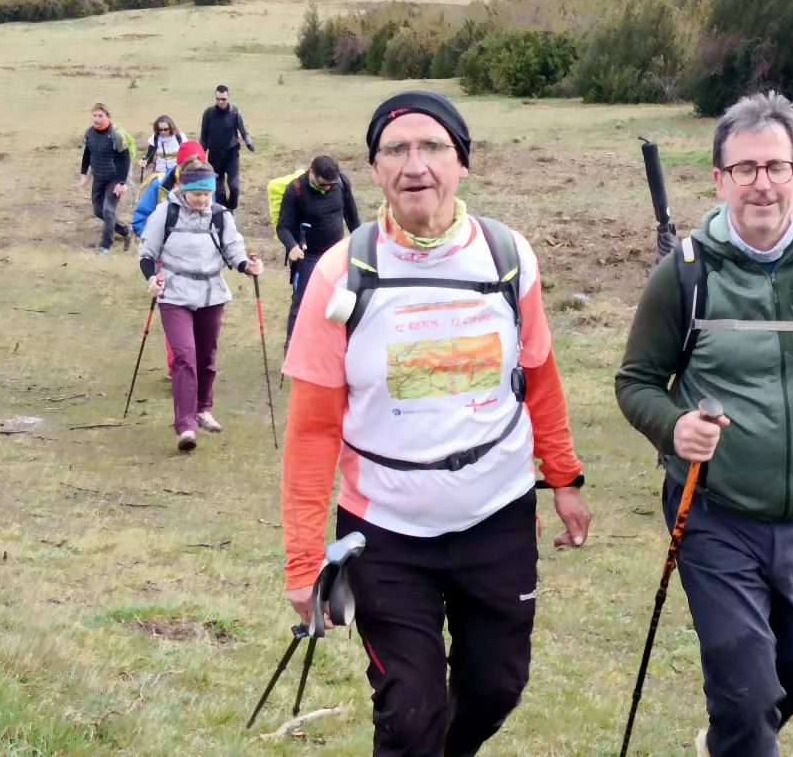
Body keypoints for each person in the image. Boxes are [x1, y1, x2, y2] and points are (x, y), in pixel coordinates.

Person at [277, 91, 591, 757]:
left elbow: (540, 375)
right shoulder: (341, 275)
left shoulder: (508, 257)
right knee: (410, 710)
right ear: (374, 169)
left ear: (462, 164)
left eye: (432, 148)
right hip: (384, 533)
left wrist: (563, 476)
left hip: (497, 517)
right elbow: (310, 432)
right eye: (396, 150)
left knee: (496, 688)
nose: (415, 165)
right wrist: (305, 561)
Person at [613, 92, 793, 757]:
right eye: (744, 169)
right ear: (719, 179)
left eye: (776, 167)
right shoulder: (684, 273)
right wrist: (675, 427)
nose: (761, 184)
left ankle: (727, 741)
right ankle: (738, 735)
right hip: (715, 515)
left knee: (789, 682)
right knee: (746, 694)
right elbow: (635, 382)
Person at [139, 157, 264, 453]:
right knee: (185, 356)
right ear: (183, 189)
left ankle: (203, 408)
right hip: (174, 293)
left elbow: (233, 249)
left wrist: (248, 265)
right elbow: (147, 252)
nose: (202, 200)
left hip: (211, 292)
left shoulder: (220, 215)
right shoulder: (164, 213)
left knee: (207, 356)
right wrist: (151, 279)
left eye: (207, 194)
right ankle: (185, 426)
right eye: (197, 194)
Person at [132, 139, 208, 371]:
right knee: (176, 316)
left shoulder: (207, 188)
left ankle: (194, 364)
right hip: (166, 263)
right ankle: (179, 366)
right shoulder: (159, 186)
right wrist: (158, 240)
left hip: (199, 265)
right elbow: (139, 220)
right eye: (191, 166)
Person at [274, 154, 361, 346]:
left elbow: (352, 219)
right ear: (311, 172)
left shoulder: (341, 183)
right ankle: (292, 349)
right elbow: (283, 227)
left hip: (337, 255)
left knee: (340, 302)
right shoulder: (295, 190)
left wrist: (362, 244)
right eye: (323, 184)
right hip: (308, 257)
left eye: (331, 184)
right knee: (302, 304)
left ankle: (333, 345)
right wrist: (292, 246)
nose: (328, 188)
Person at [81, 103, 134, 253]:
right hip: (99, 177)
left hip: (115, 178)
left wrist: (122, 182)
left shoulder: (115, 135)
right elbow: (87, 153)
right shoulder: (89, 133)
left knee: (108, 210)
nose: (97, 119)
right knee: (98, 211)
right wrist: (83, 174)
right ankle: (125, 231)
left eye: (100, 116)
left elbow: (125, 158)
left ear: (108, 117)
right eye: (95, 116)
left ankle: (105, 246)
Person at [200, 84, 255, 210]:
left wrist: (249, 143)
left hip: (231, 156)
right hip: (214, 157)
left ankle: (232, 209)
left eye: (223, 99)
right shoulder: (208, 113)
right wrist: (201, 152)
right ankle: (224, 213)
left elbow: (243, 131)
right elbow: (204, 134)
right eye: (218, 99)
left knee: (234, 188)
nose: (221, 102)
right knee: (219, 192)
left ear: (228, 98)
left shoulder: (234, 112)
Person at [142, 114, 187, 183]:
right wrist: (144, 164)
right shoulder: (154, 138)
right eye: (160, 130)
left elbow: (187, 155)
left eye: (166, 129)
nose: (163, 132)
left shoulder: (180, 137)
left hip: (177, 172)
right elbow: (149, 157)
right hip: (160, 172)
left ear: (171, 128)